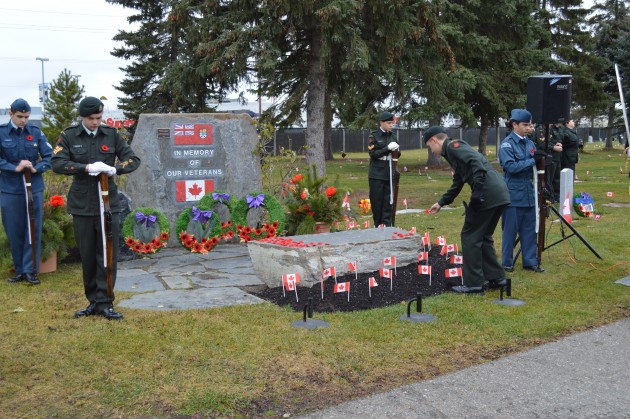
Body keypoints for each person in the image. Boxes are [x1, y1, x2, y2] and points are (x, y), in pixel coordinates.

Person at [51, 97, 140, 320]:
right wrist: (86, 167)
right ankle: (93, 301)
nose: (95, 122)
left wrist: (114, 169)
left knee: (108, 254)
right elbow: (57, 163)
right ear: (82, 117)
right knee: (88, 256)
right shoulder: (69, 135)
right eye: (91, 118)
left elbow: (133, 159)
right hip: (82, 205)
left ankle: (106, 301)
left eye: (99, 118)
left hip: (108, 204)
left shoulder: (111, 134)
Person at [426, 127, 511, 294]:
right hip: (499, 192)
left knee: (470, 236)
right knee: (483, 235)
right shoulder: (452, 153)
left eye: (430, 146)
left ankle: (474, 283)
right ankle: (496, 277)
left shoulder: (452, 146)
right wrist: (441, 202)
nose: (431, 150)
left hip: (487, 192)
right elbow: (458, 181)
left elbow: (476, 162)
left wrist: (478, 191)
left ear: (434, 140)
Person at [0, 99, 53, 285]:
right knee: (14, 230)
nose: (23, 120)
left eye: (27, 117)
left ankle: (30, 270)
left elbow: (50, 155)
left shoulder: (36, 133)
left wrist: (37, 167)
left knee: (33, 228)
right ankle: (20, 270)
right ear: (11, 114)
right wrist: (14, 167)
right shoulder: (1, 133)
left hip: (34, 188)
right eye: (20, 116)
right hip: (10, 189)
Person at [499, 109, 546, 273]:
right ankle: (507, 262)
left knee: (529, 229)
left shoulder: (529, 143)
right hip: (513, 192)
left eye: (530, 125)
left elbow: (535, 162)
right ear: (515, 124)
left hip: (528, 192)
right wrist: (532, 160)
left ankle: (530, 260)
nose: (529, 128)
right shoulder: (507, 144)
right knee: (510, 230)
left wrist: (542, 159)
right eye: (525, 125)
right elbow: (510, 167)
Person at [368, 111, 400, 227]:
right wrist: (387, 148)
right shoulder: (374, 136)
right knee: (377, 201)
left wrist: (397, 150)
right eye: (389, 123)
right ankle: (377, 225)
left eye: (392, 123)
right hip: (376, 173)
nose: (391, 125)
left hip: (389, 171)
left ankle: (387, 225)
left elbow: (397, 155)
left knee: (388, 201)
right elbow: (373, 154)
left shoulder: (393, 136)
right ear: (381, 123)